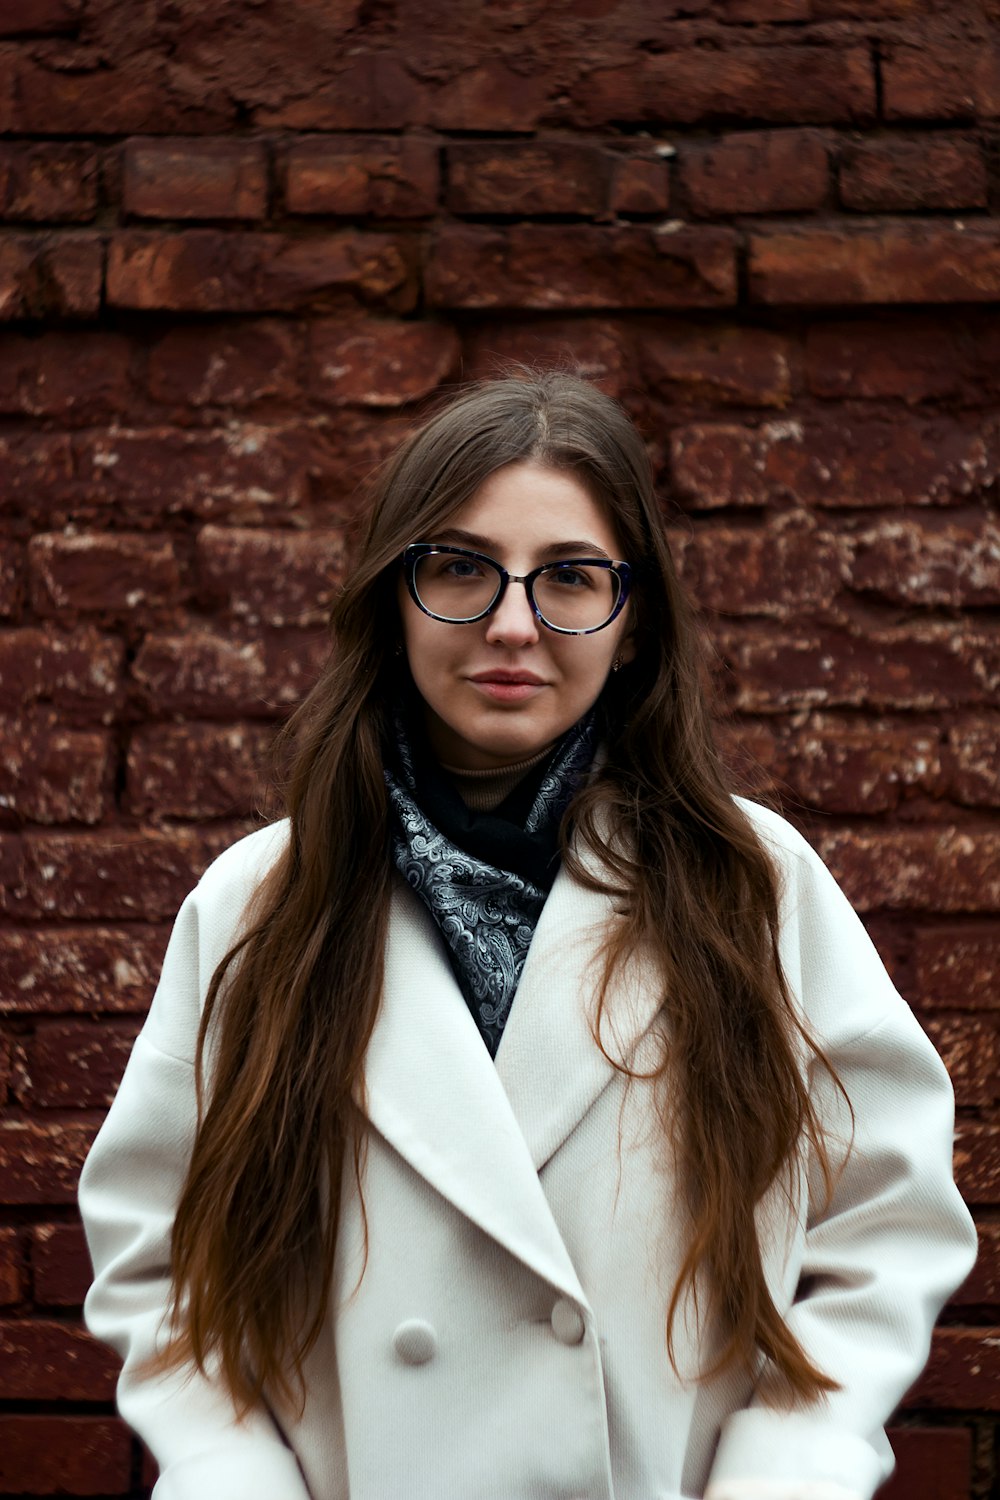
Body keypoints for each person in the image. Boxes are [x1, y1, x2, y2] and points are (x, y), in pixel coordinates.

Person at [78, 370, 977, 1500]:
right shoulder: (261, 903)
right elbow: (157, 1256)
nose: (513, 624)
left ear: (633, 616)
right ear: (391, 598)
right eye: (457, 568)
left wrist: (786, 1475)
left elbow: (883, 1228)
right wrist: (229, 1477)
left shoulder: (750, 885)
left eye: (568, 577)